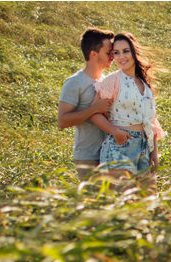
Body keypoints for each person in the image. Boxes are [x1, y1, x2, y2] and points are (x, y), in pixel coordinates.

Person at [90, 32, 165, 183]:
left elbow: (151, 120)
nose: (121, 57)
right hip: (120, 147)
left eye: (125, 51)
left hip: (145, 146)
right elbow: (94, 113)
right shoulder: (113, 80)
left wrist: (154, 152)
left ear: (134, 51)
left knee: (147, 200)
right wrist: (115, 132)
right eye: (116, 53)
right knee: (121, 202)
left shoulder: (145, 82)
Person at [58, 28, 115, 180]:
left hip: (110, 155)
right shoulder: (74, 82)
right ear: (93, 54)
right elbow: (62, 121)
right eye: (108, 52)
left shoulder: (107, 81)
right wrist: (93, 110)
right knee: (93, 202)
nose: (112, 57)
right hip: (88, 157)